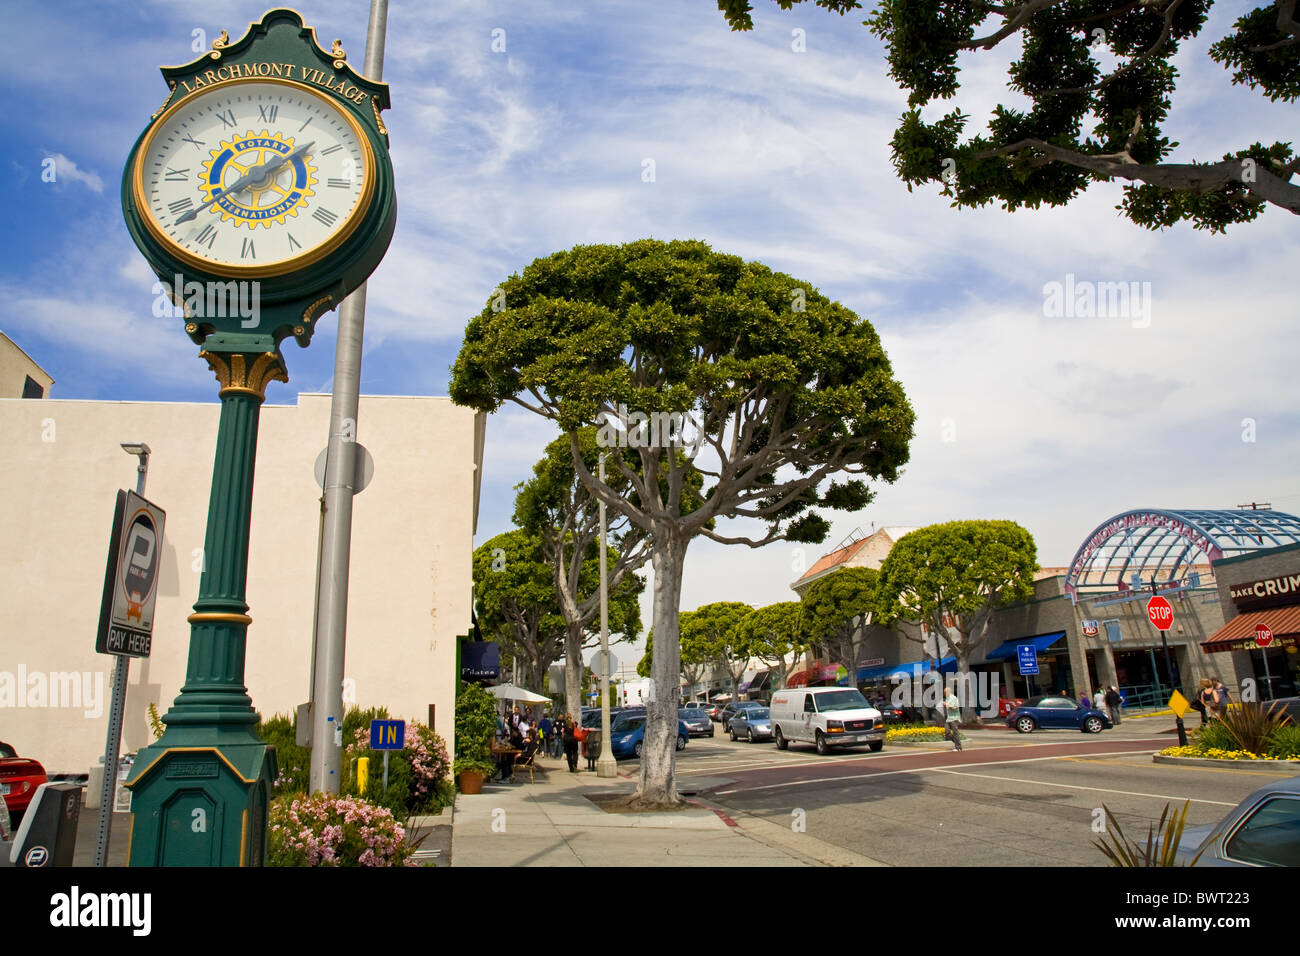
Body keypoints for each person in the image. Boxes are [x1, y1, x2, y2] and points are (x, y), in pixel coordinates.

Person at [943, 686, 963, 751]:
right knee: (947, 733)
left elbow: (956, 707)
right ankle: (958, 743)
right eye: (944, 692)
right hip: (949, 718)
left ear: (949, 692)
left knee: (955, 732)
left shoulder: (954, 698)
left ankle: (958, 747)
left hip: (954, 718)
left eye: (945, 692)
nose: (945, 693)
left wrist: (947, 705)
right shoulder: (947, 698)